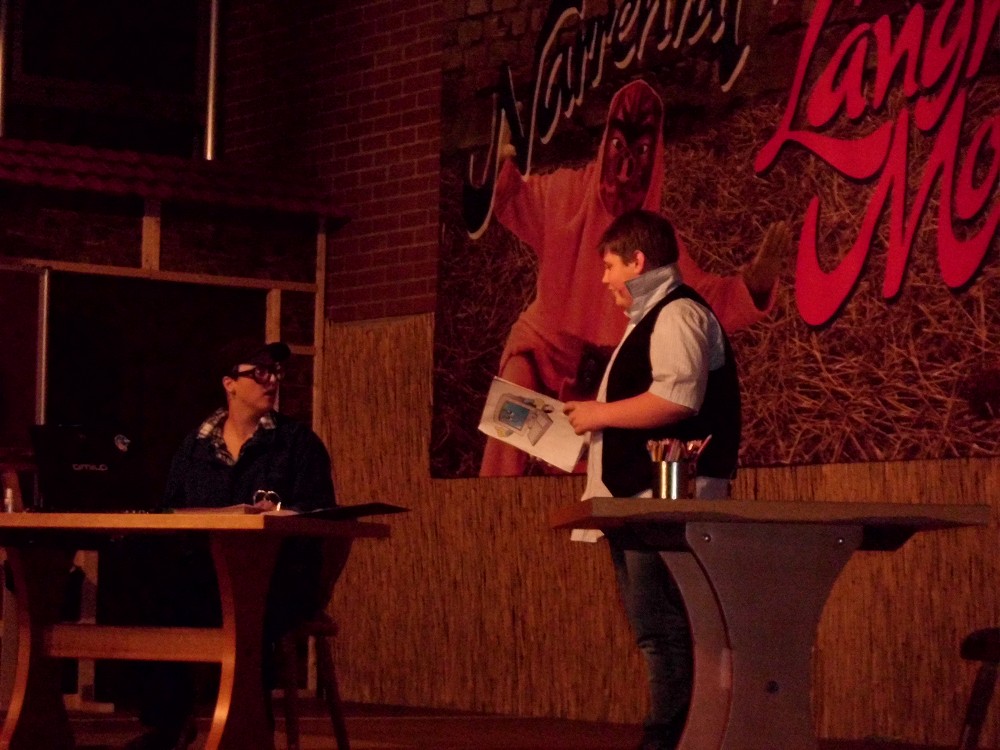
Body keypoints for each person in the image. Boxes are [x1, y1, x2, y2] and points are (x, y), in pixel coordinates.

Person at [479, 78, 786, 476]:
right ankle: (493, 493)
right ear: (605, 143)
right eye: (618, 147)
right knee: (512, 400)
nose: (625, 170)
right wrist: (498, 163)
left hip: (605, 380)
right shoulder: (564, 195)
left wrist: (753, 284)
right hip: (544, 355)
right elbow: (513, 198)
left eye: (640, 152)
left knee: (597, 452)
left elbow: (703, 298)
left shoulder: (655, 243)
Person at [564, 209, 741, 750]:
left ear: (638, 262)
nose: (604, 279)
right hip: (636, 502)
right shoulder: (648, 320)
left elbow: (676, 399)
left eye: (609, 266)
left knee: (665, 628)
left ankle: (673, 739)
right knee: (654, 627)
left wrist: (599, 414)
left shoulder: (679, 313)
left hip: (663, 502)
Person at [125, 338, 336, 750]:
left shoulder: (297, 444)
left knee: (247, 608)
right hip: (205, 574)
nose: (272, 380)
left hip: (277, 577)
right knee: (153, 592)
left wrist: (279, 515)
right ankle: (167, 727)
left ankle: (249, 730)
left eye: (275, 372)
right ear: (230, 383)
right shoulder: (195, 447)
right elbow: (170, 512)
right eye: (259, 373)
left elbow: (322, 516)